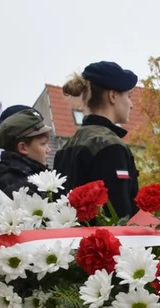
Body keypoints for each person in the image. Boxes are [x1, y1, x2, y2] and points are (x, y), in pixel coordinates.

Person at [54, 61, 140, 217]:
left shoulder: (67, 146)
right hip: (104, 240)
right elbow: (118, 214)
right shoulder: (110, 146)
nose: (131, 104)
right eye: (128, 96)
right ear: (113, 96)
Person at [0, 107, 53, 199]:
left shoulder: (24, 177)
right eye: (43, 143)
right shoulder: (15, 184)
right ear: (23, 147)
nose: (49, 150)